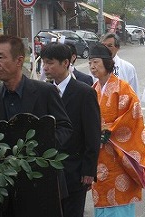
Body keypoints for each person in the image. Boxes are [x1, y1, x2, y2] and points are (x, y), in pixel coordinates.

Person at [0, 35, 73, 216]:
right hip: (5, 188)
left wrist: (40, 148)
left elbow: (65, 127)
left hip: (41, 184)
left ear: (19, 61)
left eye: (1, 57)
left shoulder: (44, 92)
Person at [89, 43, 145, 216]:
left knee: (120, 199)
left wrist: (109, 130)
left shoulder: (123, 88)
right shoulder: (93, 90)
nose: (92, 67)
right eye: (90, 63)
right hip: (100, 155)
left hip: (120, 154)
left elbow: (133, 116)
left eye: (96, 62)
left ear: (107, 63)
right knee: (101, 195)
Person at [40, 42, 101, 217]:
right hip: (49, 170)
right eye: (44, 63)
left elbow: (92, 135)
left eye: (50, 63)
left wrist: (89, 170)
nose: (46, 68)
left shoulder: (84, 92)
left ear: (65, 63)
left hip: (75, 169)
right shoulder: (43, 91)